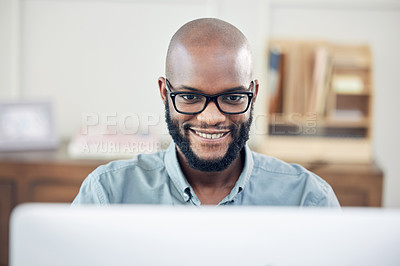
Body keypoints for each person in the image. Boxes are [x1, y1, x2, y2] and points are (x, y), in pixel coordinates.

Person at [72, 18, 340, 206]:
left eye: (233, 97)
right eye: (189, 96)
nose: (211, 118)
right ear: (165, 93)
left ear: (253, 94)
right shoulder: (107, 194)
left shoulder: (308, 199)